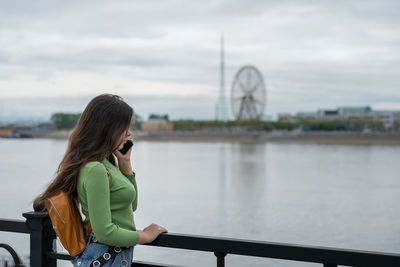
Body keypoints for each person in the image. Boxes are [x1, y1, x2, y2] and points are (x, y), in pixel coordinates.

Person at [33, 93, 168, 267]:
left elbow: (130, 206)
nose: (129, 132)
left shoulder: (106, 164)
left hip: (111, 257)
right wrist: (145, 236)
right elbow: (105, 232)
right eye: (124, 127)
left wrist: (125, 162)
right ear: (107, 128)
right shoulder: (95, 169)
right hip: (106, 256)